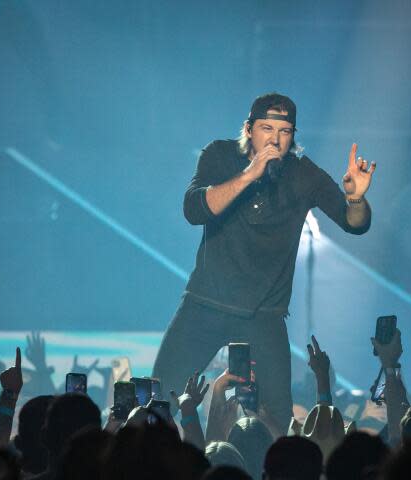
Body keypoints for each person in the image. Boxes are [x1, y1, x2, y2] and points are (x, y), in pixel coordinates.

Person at [152, 92, 377, 433]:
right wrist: (249, 174)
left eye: (285, 131)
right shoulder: (220, 155)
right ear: (249, 129)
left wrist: (357, 198)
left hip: (264, 315)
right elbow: (193, 209)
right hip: (205, 304)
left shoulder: (304, 175)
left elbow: (354, 223)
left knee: (277, 419)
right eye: (266, 128)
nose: (275, 138)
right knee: (160, 397)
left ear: (293, 136)